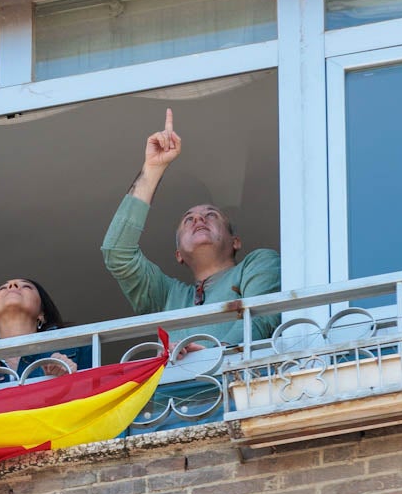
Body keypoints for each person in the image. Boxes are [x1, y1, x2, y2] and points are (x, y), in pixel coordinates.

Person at [101, 109, 281, 345]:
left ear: (235, 241)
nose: (199, 220)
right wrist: (152, 169)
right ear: (178, 255)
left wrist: (210, 355)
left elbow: (260, 319)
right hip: (182, 383)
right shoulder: (166, 295)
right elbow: (117, 253)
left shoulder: (258, 263)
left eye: (211, 215)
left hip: (236, 379)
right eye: (188, 219)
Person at [0, 278, 91, 376]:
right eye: (2, 288)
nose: (12, 285)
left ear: (42, 314)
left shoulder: (74, 343)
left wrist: (69, 378)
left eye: (26, 286)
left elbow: (94, 388)